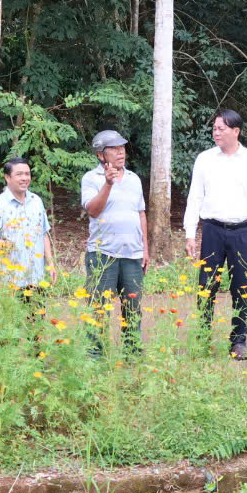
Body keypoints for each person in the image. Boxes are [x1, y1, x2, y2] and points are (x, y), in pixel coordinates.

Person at [183, 109, 247, 361]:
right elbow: (195, 197)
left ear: (236, 131)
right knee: (206, 285)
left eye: (221, 128)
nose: (216, 132)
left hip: (243, 231)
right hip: (212, 230)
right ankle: (202, 337)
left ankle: (238, 341)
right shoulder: (205, 159)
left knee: (242, 286)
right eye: (214, 128)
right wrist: (190, 233)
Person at [81, 129, 147, 356]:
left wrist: (145, 249)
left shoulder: (134, 179)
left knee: (133, 307)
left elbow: (141, 214)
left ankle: (132, 352)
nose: (121, 152)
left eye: (123, 148)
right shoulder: (91, 178)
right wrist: (108, 184)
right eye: (115, 149)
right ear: (101, 155)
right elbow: (93, 210)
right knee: (98, 307)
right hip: (102, 254)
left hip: (132, 254)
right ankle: (94, 355)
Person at [0, 157, 55, 319]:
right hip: (10, 280)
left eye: (27, 174)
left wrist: (50, 263)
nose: (24, 178)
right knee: (11, 328)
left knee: (37, 326)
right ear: (7, 177)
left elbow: (44, 234)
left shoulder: (36, 201)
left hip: (36, 278)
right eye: (19, 174)